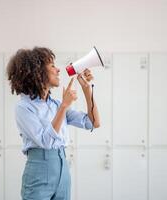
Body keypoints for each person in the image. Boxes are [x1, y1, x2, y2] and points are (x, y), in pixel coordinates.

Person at [6, 47, 100, 200]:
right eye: (52, 66)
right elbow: (45, 141)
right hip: (39, 169)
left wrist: (86, 89)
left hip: (63, 169)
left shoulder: (55, 104)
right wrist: (64, 106)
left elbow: (92, 122)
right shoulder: (24, 107)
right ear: (38, 72)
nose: (58, 70)